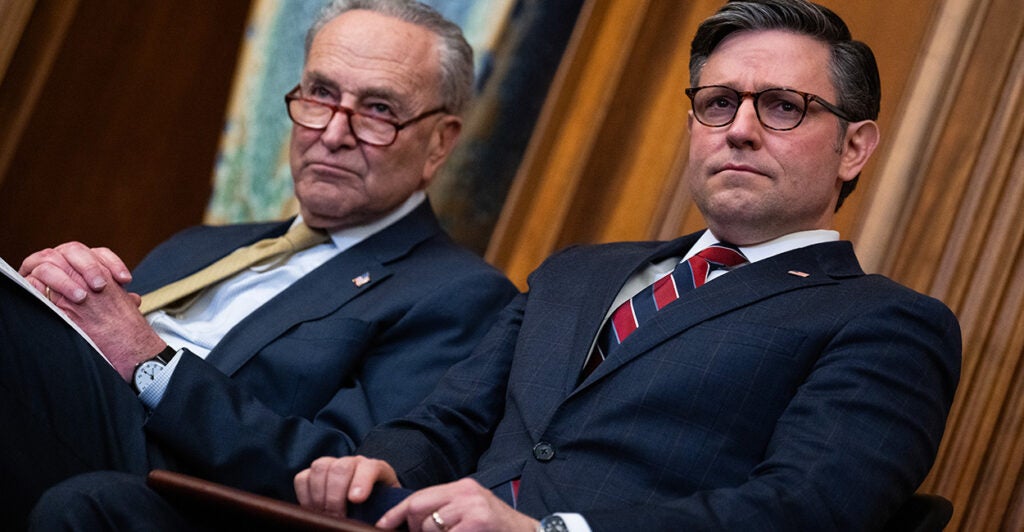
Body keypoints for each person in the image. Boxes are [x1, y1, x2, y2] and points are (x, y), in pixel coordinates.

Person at [292, 0, 962, 530]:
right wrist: (374, 467)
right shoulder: (576, 274)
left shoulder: (889, 324)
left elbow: (803, 513)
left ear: (854, 148)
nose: (740, 128)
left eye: (783, 106)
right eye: (718, 102)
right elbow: (446, 424)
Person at [2, 0, 517, 527]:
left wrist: (147, 360)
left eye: (378, 109)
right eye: (320, 94)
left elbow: (345, 475)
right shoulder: (200, 245)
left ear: (439, 142)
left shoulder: (460, 295)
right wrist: (60, 308)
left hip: (185, 485)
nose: (333, 133)